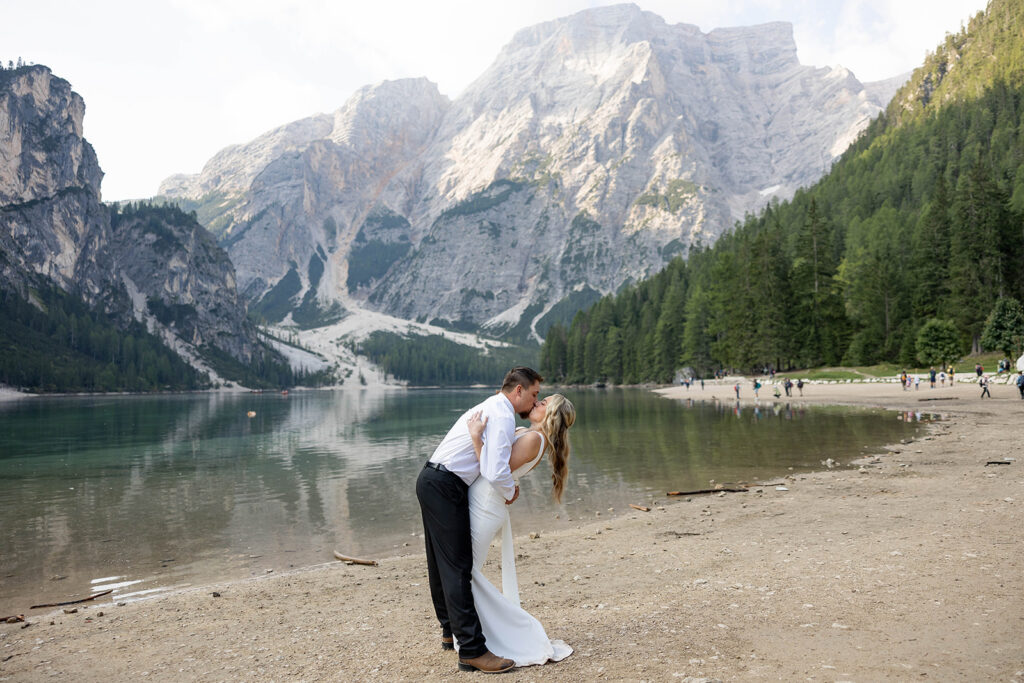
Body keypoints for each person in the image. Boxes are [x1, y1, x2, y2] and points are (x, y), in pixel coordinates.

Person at [415, 367, 541, 674]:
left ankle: (449, 630)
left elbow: (492, 463)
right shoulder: (503, 413)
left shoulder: (493, 406)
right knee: (458, 567)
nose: (535, 401)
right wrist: (510, 492)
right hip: (445, 485)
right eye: (534, 394)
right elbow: (496, 471)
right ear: (518, 391)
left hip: (434, 479)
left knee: (440, 562)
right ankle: (472, 650)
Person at [464, 394, 577, 667]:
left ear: (552, 415)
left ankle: (492, 637)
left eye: (544, 402)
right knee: (465, 571)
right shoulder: (530, 434)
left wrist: (475, 438)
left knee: (467, 572)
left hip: (486, 505)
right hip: (484, 501)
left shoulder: (534, 440)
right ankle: (472, 635)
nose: (538, 402)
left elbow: (491, 470)